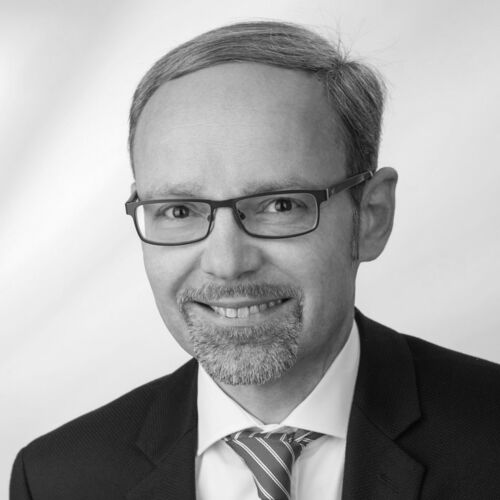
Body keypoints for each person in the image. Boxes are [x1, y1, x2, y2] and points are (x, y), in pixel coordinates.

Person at [10, 21, 500, 500]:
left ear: (371, 215)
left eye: (280, 205)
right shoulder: (57, 479)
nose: (227, 263)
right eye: (179, 211)